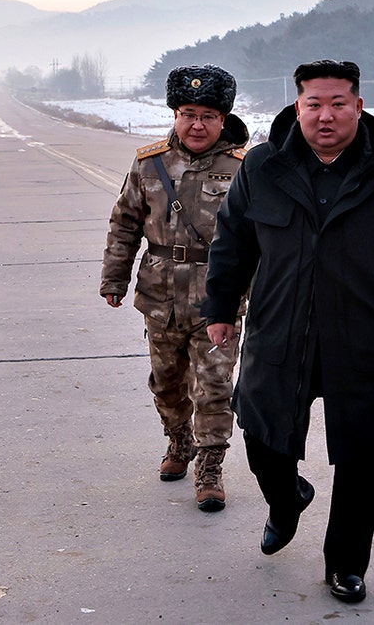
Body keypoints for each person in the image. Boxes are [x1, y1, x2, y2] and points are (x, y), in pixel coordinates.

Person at [202, 60, 374, 603]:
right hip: (280, 327)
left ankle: (346, 565)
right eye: (314, 104)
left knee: (361, 455)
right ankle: (286, 500)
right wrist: (220, 306)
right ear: (297, 107)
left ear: (359, 106)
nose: (326, 115)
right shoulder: (263, 166)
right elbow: (233, 240)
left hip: (365, 338)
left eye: (338, 103)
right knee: (262, 435)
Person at [100, 64, 249, 512]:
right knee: (167, 384)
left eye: (207, 115)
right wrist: (114, 277)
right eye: (188, 113)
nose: (197, 124)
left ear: (223, 119)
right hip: (160, 295)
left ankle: (210, 466)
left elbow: (262, 237)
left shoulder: (243, 168)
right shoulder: (149, 163)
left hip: (218, 296)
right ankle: (179, 439)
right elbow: (124, 222)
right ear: (174, 114)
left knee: (215, 386)